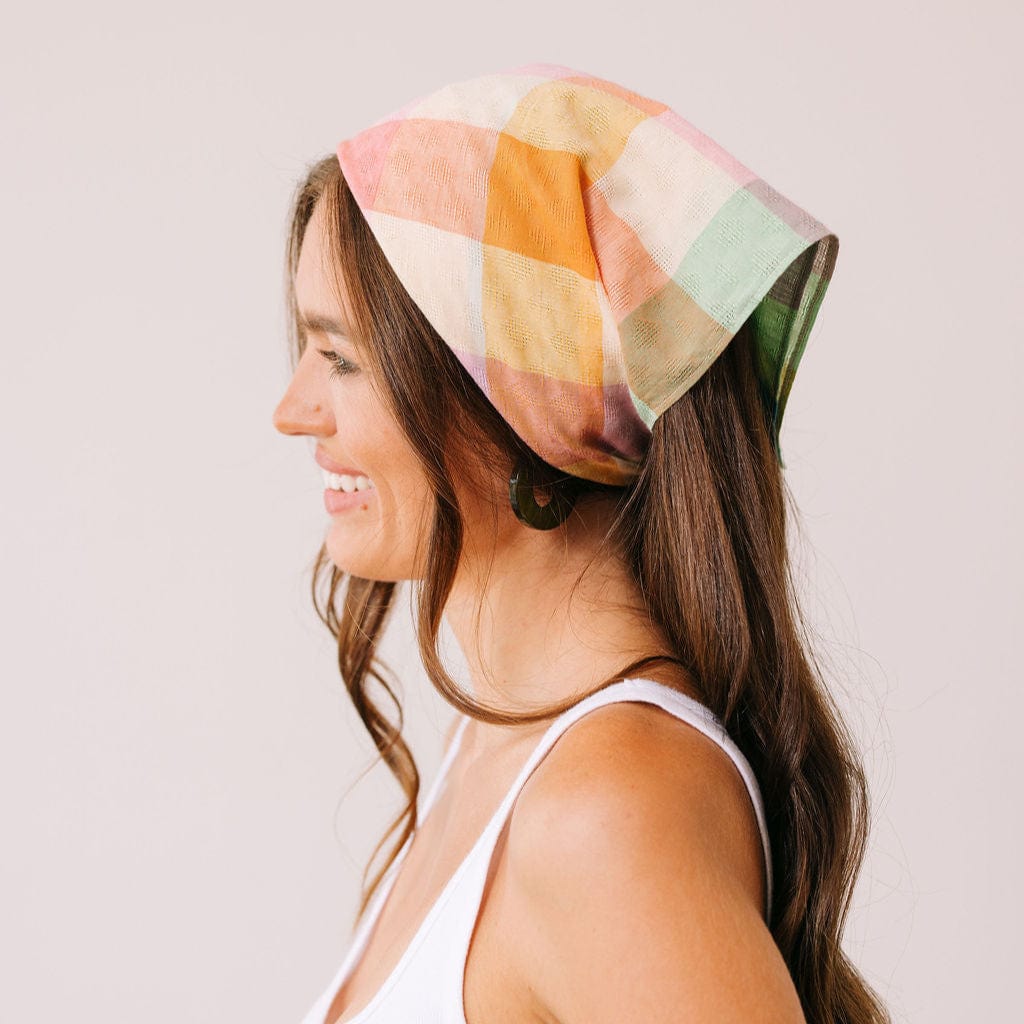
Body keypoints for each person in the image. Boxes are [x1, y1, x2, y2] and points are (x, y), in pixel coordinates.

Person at [273, 64, 889, 1024]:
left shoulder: (606, 810)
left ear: (521, 404)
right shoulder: (496, 744)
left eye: (341, 358)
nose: (293, 411)